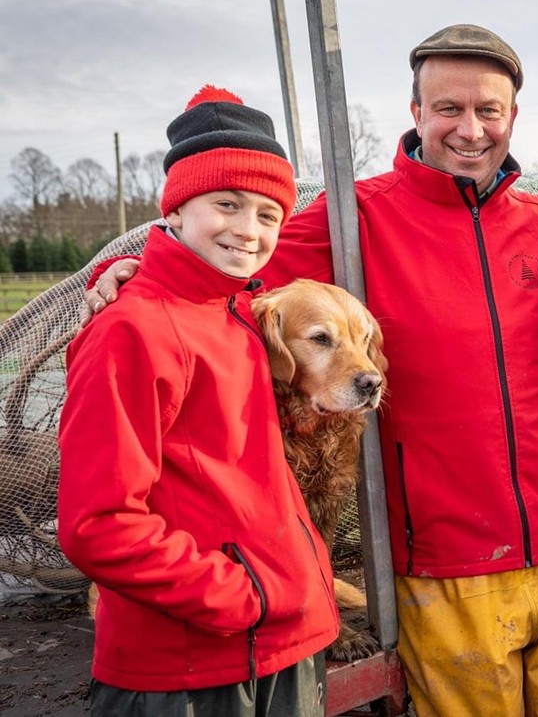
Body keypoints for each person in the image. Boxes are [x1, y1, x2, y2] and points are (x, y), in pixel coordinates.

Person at [80, 26, 538, 717]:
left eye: (489, 111)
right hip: (447, 567)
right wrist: (129, 268)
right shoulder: (354, 220)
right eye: (448, 108)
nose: (470, 129)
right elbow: (230, 261)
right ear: (417, 114)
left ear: (512, 118)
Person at [58, 86, 340, 717]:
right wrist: (248, 596)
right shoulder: (132, 331)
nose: (248, 229)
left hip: (276, 644)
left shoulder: (239, 310)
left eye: (269, 215)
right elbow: (97, 525)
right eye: (226, 204)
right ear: (178, 209)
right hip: (193, 670)